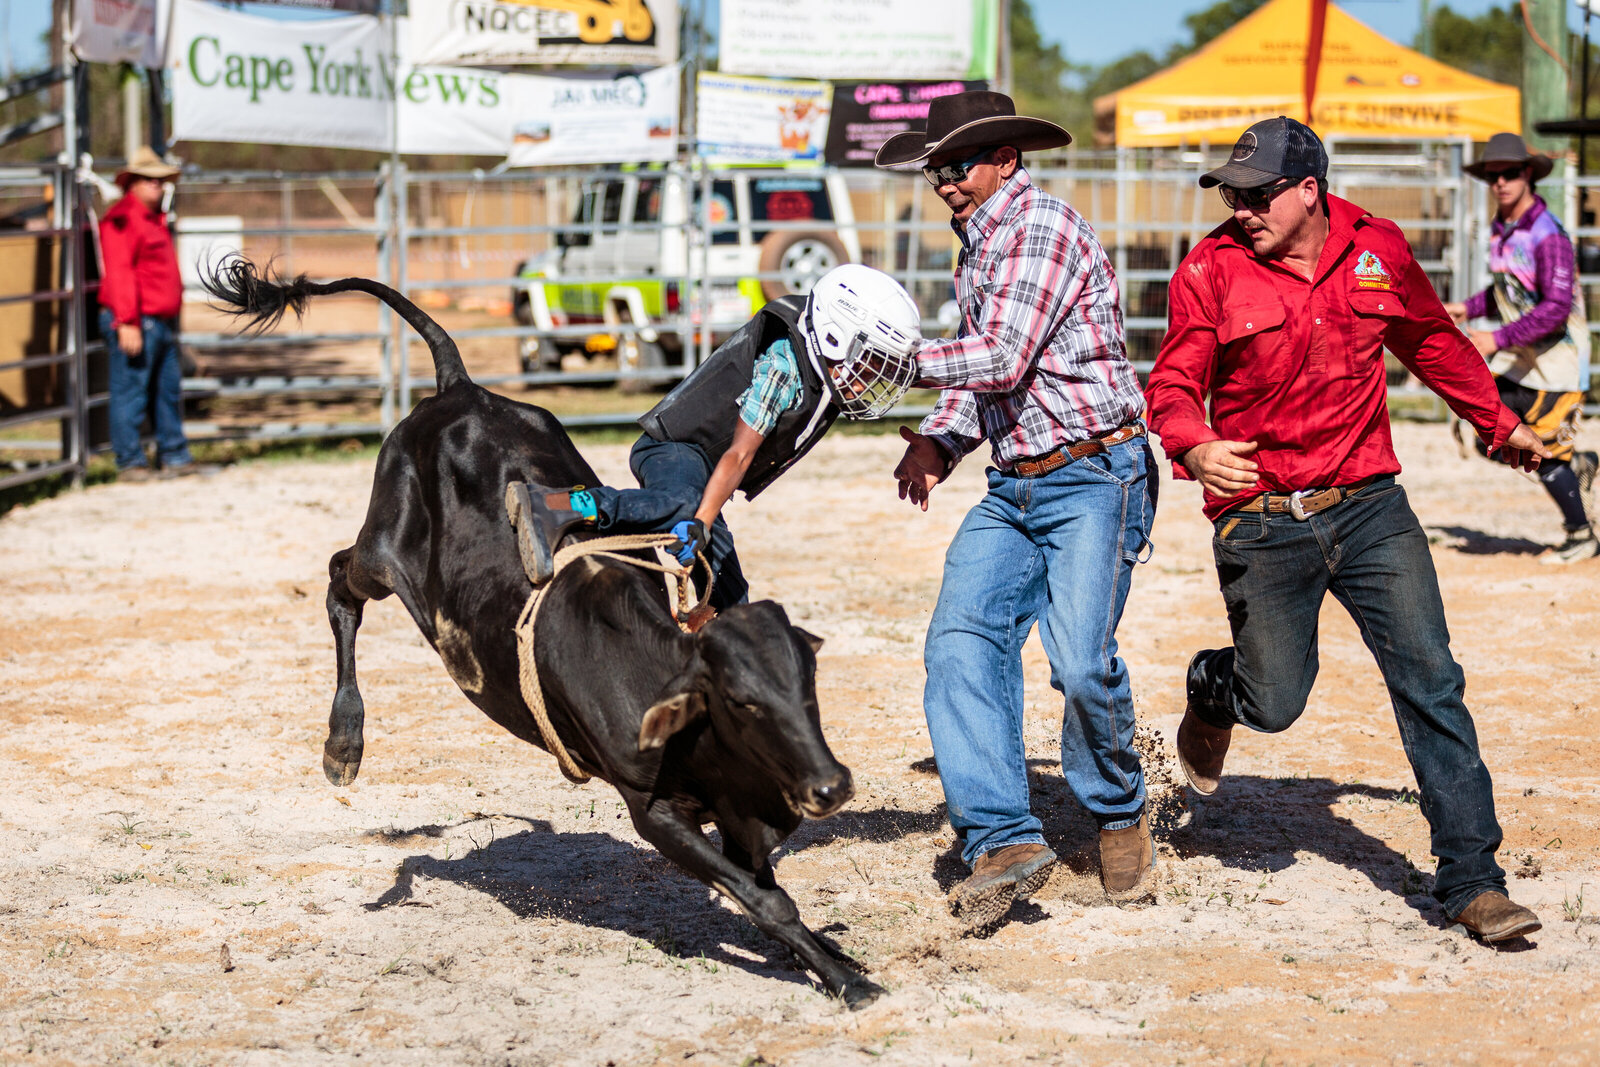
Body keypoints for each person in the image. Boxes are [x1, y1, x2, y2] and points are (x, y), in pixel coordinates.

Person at [1146, 116, 1549, 943]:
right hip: (1262, 518)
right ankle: (1214, 690)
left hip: (1371, 508)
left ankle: (1473, 879)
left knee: (1431, 678)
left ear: (1308, 190)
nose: (1242, 208)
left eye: (1257, 194)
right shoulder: (1210, 268)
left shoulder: (1380, 247)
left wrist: (1497, 422)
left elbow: (1431, 341)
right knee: (1277, 700)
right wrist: (1195, 443)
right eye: (1232, 193)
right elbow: (1174, 382)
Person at [875, 90, 1158, 931]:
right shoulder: (982, 244)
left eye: (957, 165)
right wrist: (940, 440)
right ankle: (1001, 838)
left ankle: (1117, 808)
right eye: (935, 170)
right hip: (1019, 483)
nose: (945, 183)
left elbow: (999, 353)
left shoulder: (1040, 228)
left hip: (1096, 475)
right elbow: (992, 374)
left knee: (1079, 662)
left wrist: (891, 358)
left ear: (1005, 159)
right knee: (961, 637)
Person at [518, 264, 920, 611]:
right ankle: (557, 504)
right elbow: (740, 457)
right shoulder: (784, 367)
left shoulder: (824, 369)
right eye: (872, 362)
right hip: (674, 448)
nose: (874, 376)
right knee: (685, 505)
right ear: (835, 339)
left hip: (707, 472)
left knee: (731, 592)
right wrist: (700, 523)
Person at [1443, 132, 1598, 564]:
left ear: (1528, 174)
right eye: (1493, 175)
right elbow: (1505, 292)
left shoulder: (1548, 235)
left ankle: (1581, 534)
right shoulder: (1504, 228)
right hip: (1523, 361)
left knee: (1543, 454)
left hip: (1557, 366)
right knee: (1486, 431)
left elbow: (1555, 309)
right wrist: (1466, 307)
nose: (1500, 182)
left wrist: (1496, 338)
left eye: (1510, 173)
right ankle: (1575, 466)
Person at [99, 146, 195, 481]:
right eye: (150, 180)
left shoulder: (151, 219)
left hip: (159, 321)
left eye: (160, 180)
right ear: (132, 183)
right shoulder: (122, 219)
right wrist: (127, 321)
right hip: (138, 319)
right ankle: (131, 461)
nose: (158, 186)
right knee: (131, 391)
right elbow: (120, 272)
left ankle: (174, 455)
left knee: (166, 390)